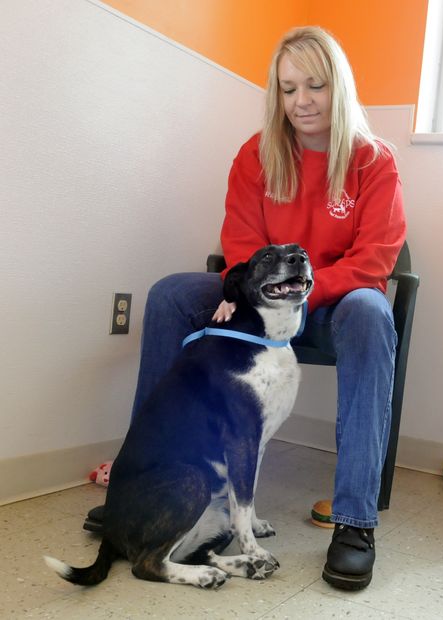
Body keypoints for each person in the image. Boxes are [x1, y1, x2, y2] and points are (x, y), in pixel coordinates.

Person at [86, 26, 405, 591]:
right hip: (261, 301)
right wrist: (251, 293)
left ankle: (355, 522)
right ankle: (141, 487)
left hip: (333, 304)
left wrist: (300, 293)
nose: (301, 101)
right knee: (171, 294)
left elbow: (375, 258)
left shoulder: (372, 161)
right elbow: (240, 241)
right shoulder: (255, 155)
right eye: (287, 89)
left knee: (374, 313)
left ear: (340, 88)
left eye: (315, 85)